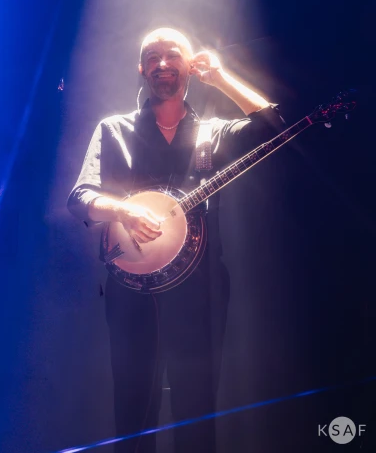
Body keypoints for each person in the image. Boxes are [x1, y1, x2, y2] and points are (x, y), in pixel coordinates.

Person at [67, 27, 284, 453]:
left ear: (190, 66)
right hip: (131, 292)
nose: (161, 64)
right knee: (133, 412)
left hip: (200, 290)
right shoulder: (114, 129)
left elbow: (273, 125)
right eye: (152, 57)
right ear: (141, 68)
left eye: (172, 55)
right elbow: (80, 198)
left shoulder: (213, 133)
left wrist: (220, 77)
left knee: (197, 411)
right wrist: (124, 211)